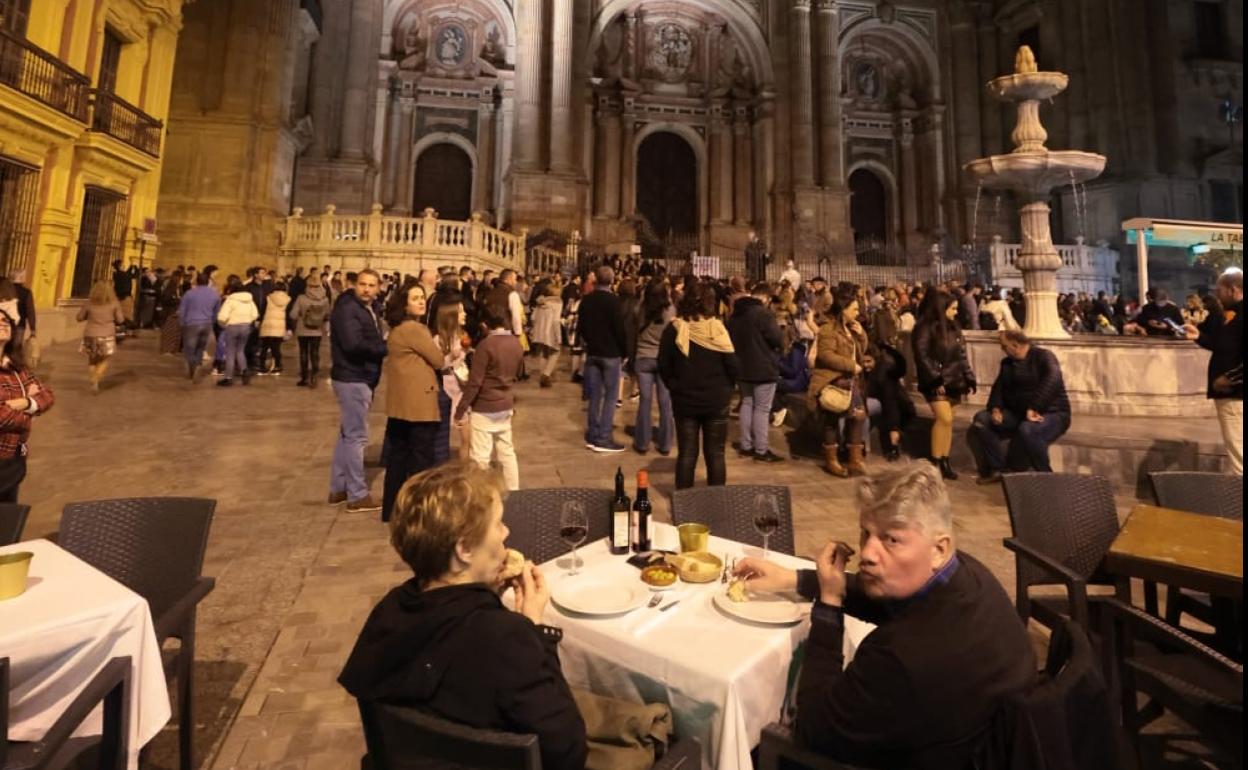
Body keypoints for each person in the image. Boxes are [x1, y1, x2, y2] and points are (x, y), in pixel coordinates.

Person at [730, 462, 1035, 768]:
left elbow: (814, 727)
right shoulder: (968, 576)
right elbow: (890, 598)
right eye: (866, 533)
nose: (867, 554)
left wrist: (830, 604)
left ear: (938, 549)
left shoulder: (902, 660)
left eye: (892, 539)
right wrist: (795, 579)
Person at [338, 461, 588, 770]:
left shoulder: (390, 612)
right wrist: (534, 629)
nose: (506, 532)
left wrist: (487, 595)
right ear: (465, 549)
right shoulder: (506, 638)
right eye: (498, 524)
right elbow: (569, 752)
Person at [658, 282, 739, 489]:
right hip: (716, 400)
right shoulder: (717, 329)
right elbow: (733, 366)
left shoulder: (674, 329)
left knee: (687, 453)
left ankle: (684, 499)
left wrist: (675, 386)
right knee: (716, 454)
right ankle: (716, 498)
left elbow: (663, 365)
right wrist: (727, 388)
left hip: (685, 400)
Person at [381, 282, 446, 522]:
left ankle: (391, 509)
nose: (421, 302)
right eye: (415, 298)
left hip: (400, 404)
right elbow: (438, 360)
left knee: (398, 458)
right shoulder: (416, 330)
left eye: (422, 298)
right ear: (404, 304)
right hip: (419, 404)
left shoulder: (397, 328)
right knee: (421, 461)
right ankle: (420, 514)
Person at [969, 330, 1071, 483]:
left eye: (1004, 346)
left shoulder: (1044, 357)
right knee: (981, 420)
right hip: (1018, 413)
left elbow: (1052, 380)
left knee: (1027, 430)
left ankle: (1047, 478)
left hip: (1053, 413)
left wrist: (1034, 407)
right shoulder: (1006, 364)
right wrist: (996, 409)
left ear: (1015, 345)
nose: (1002, 350)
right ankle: (998, 469)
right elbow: (998, 389)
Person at [329, 269, 388, 512]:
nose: (366, 289)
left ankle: (339, 487)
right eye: (363, 284)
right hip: (353, 376)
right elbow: (353, 344)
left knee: (347, 434)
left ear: (378, 287)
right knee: (356, 437)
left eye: (371, 285)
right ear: (354, 285)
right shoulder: (348, 309)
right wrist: (385, 347)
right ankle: (357, 494)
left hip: (358, 377)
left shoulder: (367, 308)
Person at [455, 305, 523, 490]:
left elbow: (475, 383)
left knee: (480, 457)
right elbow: (518, 372)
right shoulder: (516, 343)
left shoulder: (486, 346)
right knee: (507, 452)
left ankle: (480, 494)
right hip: (506, 402)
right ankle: (514, 490)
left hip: (484, 406)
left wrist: (461, 409)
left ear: (485, 325)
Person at [911, 289, 975, 480]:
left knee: (948, 422)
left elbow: (961, 355)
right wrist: (935, 378)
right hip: (936, 381)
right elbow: (922, 356)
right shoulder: (924, 328)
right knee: (944, 418)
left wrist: (969, 376)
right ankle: (935, 460)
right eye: (952, 308)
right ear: (941, 308)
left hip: (955, 379)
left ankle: (944, 459)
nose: (956, 312)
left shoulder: (953, 327)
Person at [1184, 269, 1243, 475]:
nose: (1217, 296)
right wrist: (1199, 335)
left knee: (1239, 456)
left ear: (1233, 290)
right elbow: (1223, 346)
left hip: (1236, 396)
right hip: (1231, 396)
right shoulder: (1232, 315)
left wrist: (1230, 378)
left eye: (1220, 291)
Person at [809, 291, 869, 477]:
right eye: (854, 309)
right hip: (833, 379)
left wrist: (861, 336)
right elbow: (825, 355)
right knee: (832, 418)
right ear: (843, 310)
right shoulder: (828, 329)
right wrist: (850, 366)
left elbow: (859, 352)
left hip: (851, 380)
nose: (857, 313)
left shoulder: (850, 328)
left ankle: (854, 458)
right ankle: (831, 459)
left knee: (858, 415)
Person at [0, 309, 54, 501]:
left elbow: (47, 395)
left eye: (6, 320)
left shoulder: (16, 367)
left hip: (13, 458)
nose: (3, 323)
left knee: (7, 517)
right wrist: (29, 414)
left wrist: (24, 402)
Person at [727, 281, 785, 463]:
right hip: (763, 367)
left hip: (742, 367)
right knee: (762, 409)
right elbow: (777, 339)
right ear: (766, 298)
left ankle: (746, 446)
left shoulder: (735, 315)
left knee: (746, 404)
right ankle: (761, 449)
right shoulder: (763, 314)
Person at [577, 266, 628, 452]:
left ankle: (593, 433)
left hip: (593, 352)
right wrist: (624, 352)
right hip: (610, 353)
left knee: (595, 396)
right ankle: (604, 437)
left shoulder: (586, 301)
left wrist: (589, 343)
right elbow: (619, 330)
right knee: (611, 397)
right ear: (612, 281)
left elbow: (580, 327)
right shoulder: (614, 302)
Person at [633, 282, 675, 456]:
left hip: (643, 357)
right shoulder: (669, 311)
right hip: (663, 358)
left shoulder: (640, 309)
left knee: (645, 400)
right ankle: (665, 443)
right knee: (665, 402)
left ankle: (642, 442)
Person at [434, 299, 471, 460]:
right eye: (461, 312)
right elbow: (437, 365)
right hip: (449, 389)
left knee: (468, 438)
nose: (465, 314)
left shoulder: (462, 335)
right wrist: (451, 356)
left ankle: (467, 469)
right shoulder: (438, 339)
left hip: (463, 388)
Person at [76, 280, 126, 393]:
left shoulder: (89, 303)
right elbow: (120, 319)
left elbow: (79, 317)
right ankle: (96, 377)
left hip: (90, 334)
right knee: (104, 359)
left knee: (92, 360)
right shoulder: (114, 303)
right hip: (106, 335)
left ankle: (95, 381)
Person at [215, 275, 259, 386]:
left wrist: (223, 325)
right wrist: (247, 321)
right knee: (240, 350)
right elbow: (255, 314)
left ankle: (228, 377)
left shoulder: (230, 300)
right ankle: (244, 371)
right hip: (246, 327)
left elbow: (222, 316)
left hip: (232, 327)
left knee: (230, 353)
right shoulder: (249, 300)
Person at [288, 276, 330, 387]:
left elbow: (293, 314)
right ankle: (314, 376)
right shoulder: (324, 299)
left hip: (303, 330)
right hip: (317, 331)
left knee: (303, 353)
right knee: (315, 353)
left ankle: (304, 378)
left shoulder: (301, 298)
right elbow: (327, 315)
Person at [179, 271, 220, 381]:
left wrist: (182, 323)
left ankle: (191, 367)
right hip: (206, 323)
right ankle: (197, 364)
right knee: (200, 347)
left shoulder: (189, 293)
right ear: (207, 282)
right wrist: (211, 321)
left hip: (191, 323)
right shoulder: (214, 294)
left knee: (189, 347)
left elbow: (183, 310)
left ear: (197, 282)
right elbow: (217, 311)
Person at [529, 279, 563, 387]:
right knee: (556, 352)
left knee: (543, 352)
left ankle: (542, 375)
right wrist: (558, 335)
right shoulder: (558, 303)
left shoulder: (540, 302)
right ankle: (546, 374)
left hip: (540, 331)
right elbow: (556, 320)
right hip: (551, 331)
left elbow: (533, 317)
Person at [258, 280, 290, 375]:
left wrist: (259, 322)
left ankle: (262, 367)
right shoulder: (288, 300)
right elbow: (288, 315)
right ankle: (277, 367)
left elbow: (262, 312)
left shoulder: (268, 298)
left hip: (268, 325)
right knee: (276, 348)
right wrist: (289, 328)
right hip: (279, 326)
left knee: (264, 347)